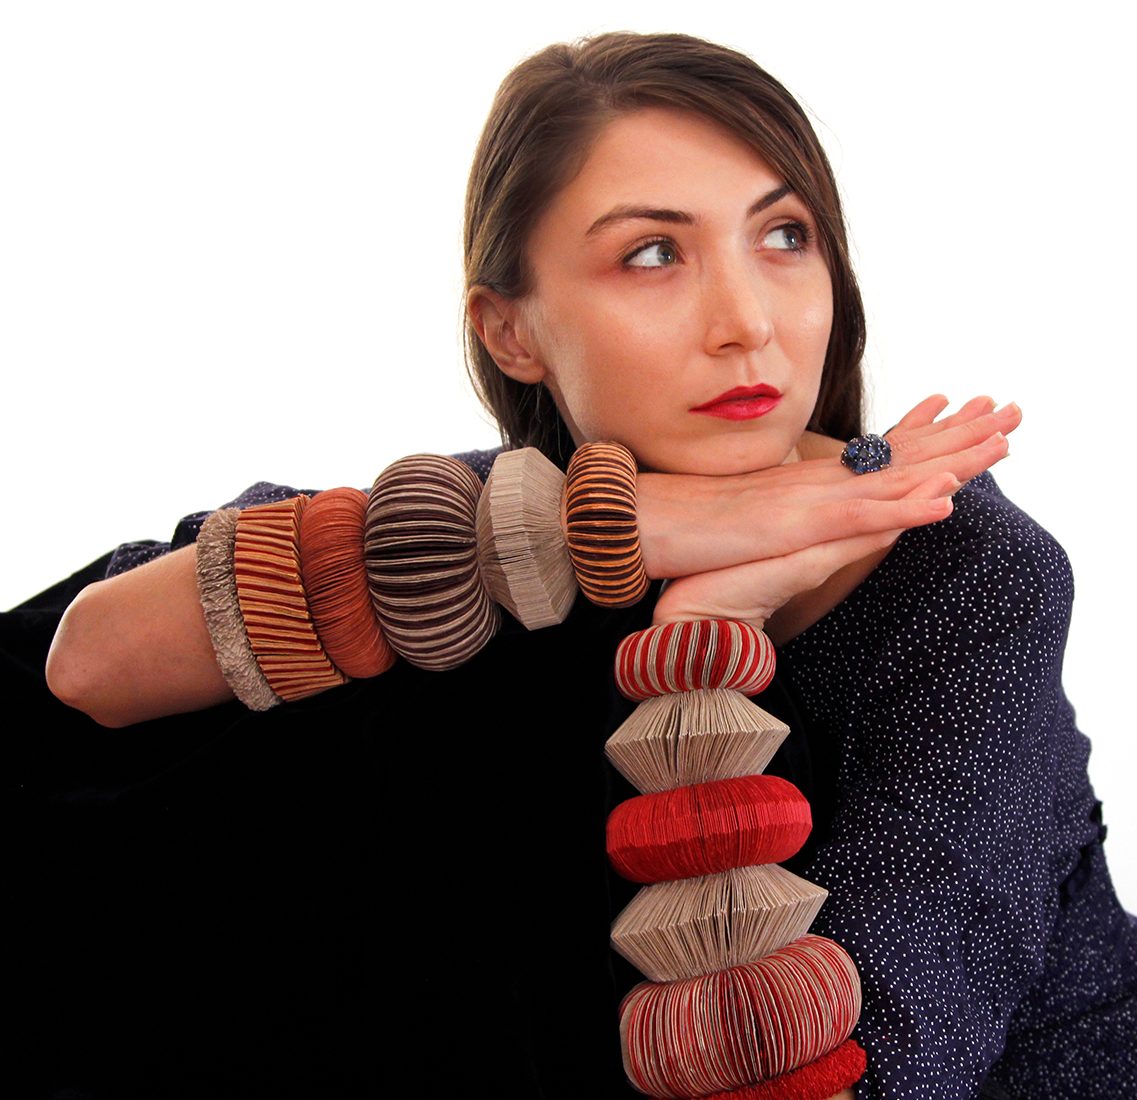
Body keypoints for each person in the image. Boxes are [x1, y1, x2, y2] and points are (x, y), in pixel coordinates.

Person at [10, 30, 1134, 1100]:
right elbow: (80, 666)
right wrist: (627, 530)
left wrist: (703, 639)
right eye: (653, 254)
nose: (747, 320)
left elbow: (842, 1082)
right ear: (513, 332)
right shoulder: (512, 509)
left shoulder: (970, 573)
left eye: (783, 236)